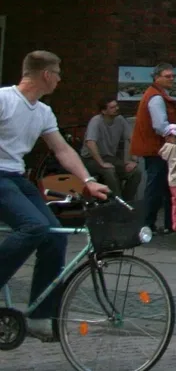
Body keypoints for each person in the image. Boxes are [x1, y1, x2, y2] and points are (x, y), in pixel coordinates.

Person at [0, 51, 109, 343]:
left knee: (55, 234)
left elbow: (62, 150)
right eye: (58, 73)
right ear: (46, 74)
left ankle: (39, 316)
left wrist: (87, 181)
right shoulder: (4, 99)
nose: (60, 80)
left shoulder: (43, 112)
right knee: (33, 226)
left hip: (14, 177)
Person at [131, 62, 176, 234]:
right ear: (157, 77)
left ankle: (167, 223)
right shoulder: (156, 97)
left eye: (173, 76)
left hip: (156, 148)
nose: (172, 79)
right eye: (168, 76)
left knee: (163, 186)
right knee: (156, 186)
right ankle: (147, 224)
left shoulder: (156, 94)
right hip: (156, 148)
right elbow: (160, 125)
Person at [81, 96, 136, 200]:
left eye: (116, 106)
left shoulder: (120, 119)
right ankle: (117, 203)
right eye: (112, 107)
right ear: (103, 111)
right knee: (109, 171)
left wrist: (133, 160)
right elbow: (90, 143)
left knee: (135, 172)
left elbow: (132, 138)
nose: (116, 109)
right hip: (90, 159)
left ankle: (127, 202)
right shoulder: (96, 121)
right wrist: (101, 163)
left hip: (109, 157)